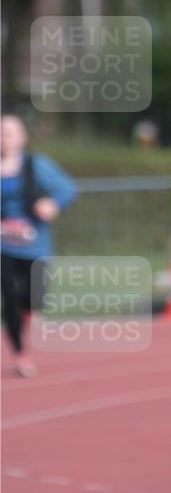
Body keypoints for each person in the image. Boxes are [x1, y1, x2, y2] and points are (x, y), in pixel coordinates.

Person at [1, 114, 77, 376]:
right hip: (3, 246)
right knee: (9, 298)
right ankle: (20, 353)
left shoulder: (37, 165)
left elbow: (66, 189)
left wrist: (52, 204)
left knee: (35, 298)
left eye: (10, 132)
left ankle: (29, 312)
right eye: (1, 132)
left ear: (22, 138)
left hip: (35, 244)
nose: (5, 138)